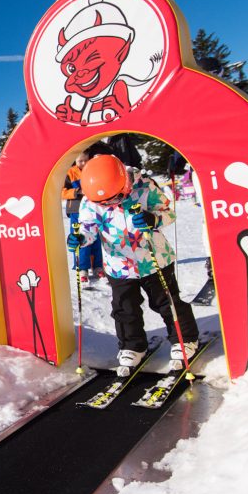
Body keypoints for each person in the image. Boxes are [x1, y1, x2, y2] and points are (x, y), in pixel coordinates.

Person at [66, 154, 199, 375]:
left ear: (124, 183)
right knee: (124, 308)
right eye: (103, 202)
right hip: (118, 265)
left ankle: (184, 339)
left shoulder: (145, 187)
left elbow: (168, 213)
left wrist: (152, 219)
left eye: (114, 198)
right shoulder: (90, 201)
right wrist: (81, 238)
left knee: (166, 301)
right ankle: (132, 346)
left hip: (154, 258)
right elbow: (88, 228)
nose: (109, 204)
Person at [62, 153, 104, 284]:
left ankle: (98, 265)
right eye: (80, 161)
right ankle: (82, 268)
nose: (83, 163)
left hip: (93, 209)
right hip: (76, 210)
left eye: (86, 160)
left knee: (96, 237)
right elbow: (62, 192)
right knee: (80, 238)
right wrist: (77, 192)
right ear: (75, 161)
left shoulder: (93, 169)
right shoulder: (70, 173)